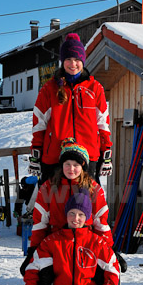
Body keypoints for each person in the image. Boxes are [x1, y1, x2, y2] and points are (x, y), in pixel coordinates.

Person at [21, 138, 120, 285]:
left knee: (110, 275)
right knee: (43, 278)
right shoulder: (48, 187)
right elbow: (40, 223)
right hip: (56, 245)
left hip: (87, 245)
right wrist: (33, 250)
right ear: (61, 165)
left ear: (83, 165)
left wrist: (110, 249)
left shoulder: (93, 189)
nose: (71, 169)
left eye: (76, 165)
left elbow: (101, 222)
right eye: (67, 164)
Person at [29, 32, 112, 183]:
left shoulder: (95, 88)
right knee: (53, 203)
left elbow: (103, 124)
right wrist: (36, 154)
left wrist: (106, 152)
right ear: (62, 61)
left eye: (77, 59)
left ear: (83, 61)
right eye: (68, 59)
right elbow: (39, 124)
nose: (73, 64)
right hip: (54, 157)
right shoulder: (49, 89)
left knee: (86, 204)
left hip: (87, 158)